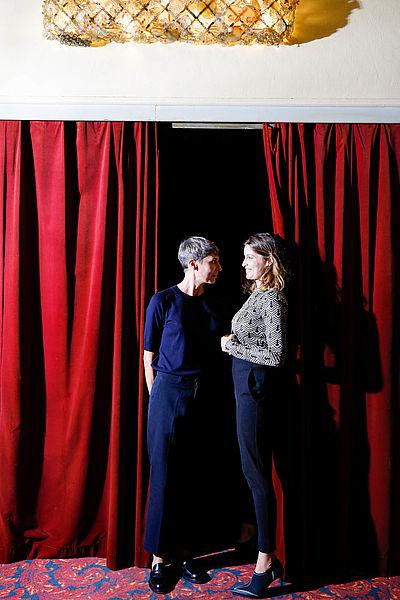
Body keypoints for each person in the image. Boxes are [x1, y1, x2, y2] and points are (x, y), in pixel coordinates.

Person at [143, 235, 222, 594]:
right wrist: (157, 399)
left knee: (195, 475)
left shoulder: (212, 304)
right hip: (167, 393)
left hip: (202, 394)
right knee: (165, 474)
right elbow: (148, 358)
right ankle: (160, 558)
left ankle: (187, 552)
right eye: (213, 261)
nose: (218, 268)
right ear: (193, 264)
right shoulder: (162, 301)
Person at [221, 233, 288, 599]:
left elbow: (277, 356)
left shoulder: (273, 299)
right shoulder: (258, 296)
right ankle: (259, 547)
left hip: (256, 397)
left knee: (257, 475)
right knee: (251, 472)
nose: (244, 263)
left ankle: (265, 560)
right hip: (246, 392)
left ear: (268, 261)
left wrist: (231, 344)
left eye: (250, 257)